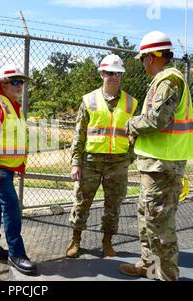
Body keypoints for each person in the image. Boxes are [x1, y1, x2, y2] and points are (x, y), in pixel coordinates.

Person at [119, 31, 193, 281]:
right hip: (155, 163)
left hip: (164, 165)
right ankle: (148, 265)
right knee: (147, 216)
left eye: (143, 58)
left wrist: (130, 125)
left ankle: (166, 276)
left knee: (159, 223)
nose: (142, 63)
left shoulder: (169, 80)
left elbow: (157, 119)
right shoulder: (164, 79)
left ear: (152, 57)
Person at [66, 54, 138, 258]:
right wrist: (75, 163)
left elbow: (135, 133)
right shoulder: (88, 100)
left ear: (121, 75)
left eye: (117, 73)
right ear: (101, 74)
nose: (113, 77)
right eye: (109, 73)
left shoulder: (131, 103)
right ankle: (76, 240)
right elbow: (79, 133)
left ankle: (107, 243)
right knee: (81, 201)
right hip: (90, 161)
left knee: (113, 204)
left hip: (118, 163)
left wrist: (129, 157)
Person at [0, 64, 37, 275]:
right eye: (15, 81)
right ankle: (16, 253)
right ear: (2, 84)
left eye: (21, 81)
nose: (20, 85)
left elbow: (14, 139)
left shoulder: (14, 106)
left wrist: (20, 165)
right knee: (12, 207)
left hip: (7, 168)